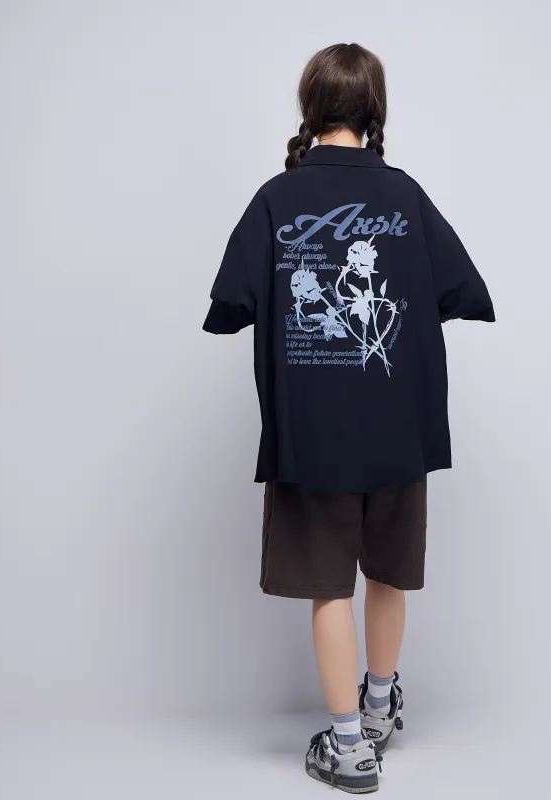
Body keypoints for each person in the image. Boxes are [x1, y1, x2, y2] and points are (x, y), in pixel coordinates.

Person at [203, 42, 495, 793]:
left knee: (331, 585)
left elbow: (229, 304)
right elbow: (465, 292)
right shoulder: (406, 196)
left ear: (311, 108)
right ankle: (378, 706)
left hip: (314, 434)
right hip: (400, 429)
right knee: (388, 571)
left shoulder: (277, 199)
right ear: (374, 111)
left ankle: (346, 747)